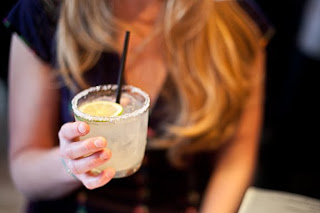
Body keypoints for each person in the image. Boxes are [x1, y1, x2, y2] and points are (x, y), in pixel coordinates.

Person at [5, 0, 271, 212]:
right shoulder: (44, 11)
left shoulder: (235, 20)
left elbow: (236, 158)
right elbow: (25, 172)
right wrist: (68, 163)